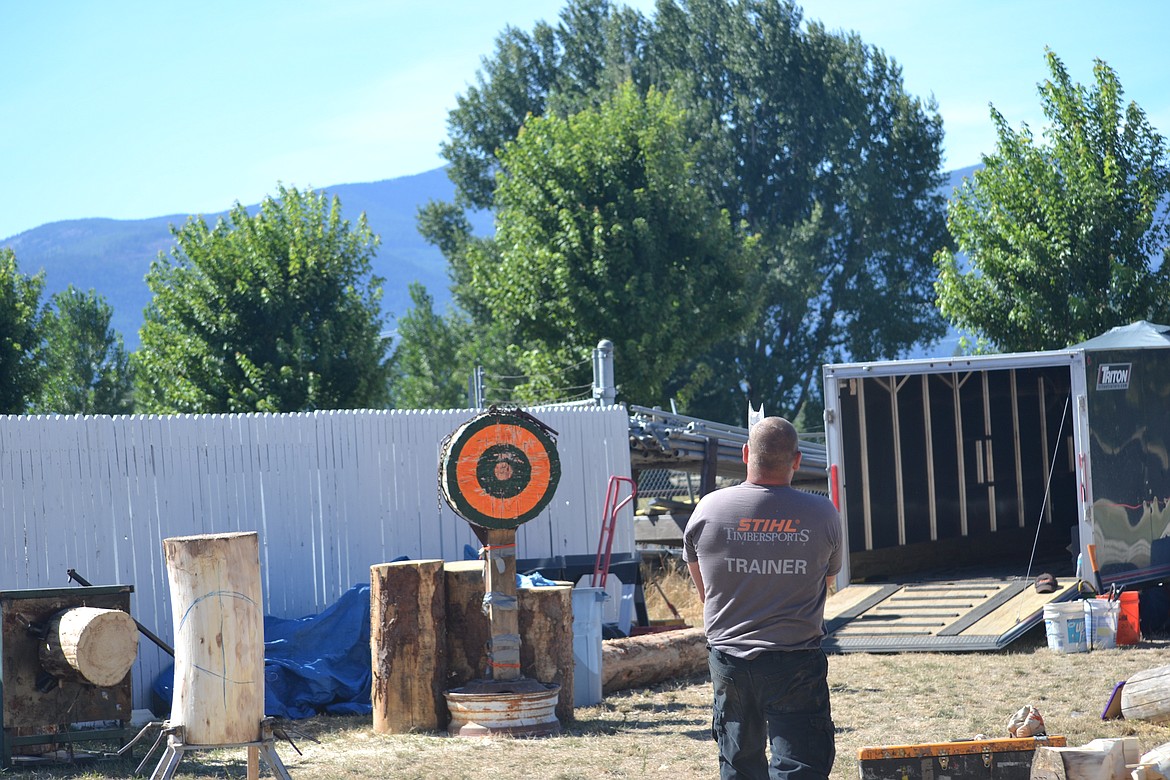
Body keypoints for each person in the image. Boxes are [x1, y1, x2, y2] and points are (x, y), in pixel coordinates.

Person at [683, 416, 842, 780]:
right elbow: (827, 580)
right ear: (797, 460)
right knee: (801, 761)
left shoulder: (709, 509)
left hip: (730, 657)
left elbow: (705, 589)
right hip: (796, 657)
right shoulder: (823, 514)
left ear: (745, 453)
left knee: (739, 762)